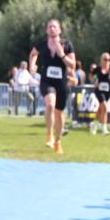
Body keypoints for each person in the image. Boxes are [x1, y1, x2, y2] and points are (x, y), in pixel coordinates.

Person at [29, 19, 76, 154]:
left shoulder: (67, 45)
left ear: (59, 30)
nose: (52, 29)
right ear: (46, 30)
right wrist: (32, 65)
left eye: (55, 27)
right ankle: (49, 135)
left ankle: (58, 141)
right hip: (47, 81)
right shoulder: (42, 44)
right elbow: (33, 54)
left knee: (60, 113)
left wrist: (62, 54)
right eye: (49, 26)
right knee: (50, 104)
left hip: (62, 82)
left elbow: (72, 65)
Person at [90, 52, 110, 135]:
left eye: (108, 59)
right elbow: (91, 76)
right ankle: (104, 129)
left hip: (108, 91)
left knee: (101, 108)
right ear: (101, 60)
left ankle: (94, 126)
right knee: (105, 106)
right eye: (105, 59)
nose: (107, 61)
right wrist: (95, 81)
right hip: (99, 90)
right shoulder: (98, 68)